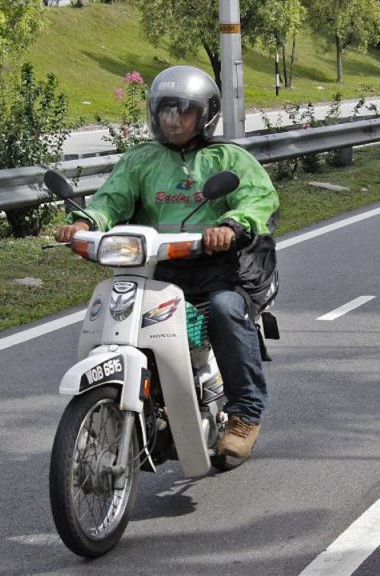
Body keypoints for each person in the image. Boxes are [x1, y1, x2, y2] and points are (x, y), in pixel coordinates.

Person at [55, 65, 279, 459]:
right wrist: (85, 223)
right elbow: (111, 199)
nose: (172, 120)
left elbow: (258, 198)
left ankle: (244, 414)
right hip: (157, 269)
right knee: (123, 314)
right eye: (165, 110)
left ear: (205, 114)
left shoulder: (227, 158)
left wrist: (230, 225)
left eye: (183, 111)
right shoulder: (141, 159)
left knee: (226, 310)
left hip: (220, 269)